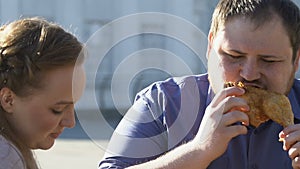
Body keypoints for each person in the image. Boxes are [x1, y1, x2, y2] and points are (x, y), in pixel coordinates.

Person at [99, 0, 300, 168]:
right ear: (210, 47)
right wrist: (199, 150)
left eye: (268, 60)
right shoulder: (161, 103)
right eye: (233, 56)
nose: (249, 74)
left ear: (296, 61)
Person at [0, 17, 85, 169]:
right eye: (57, 109)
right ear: (8, 100)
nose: (70, 122)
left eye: (73, 106)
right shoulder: (5, 157)